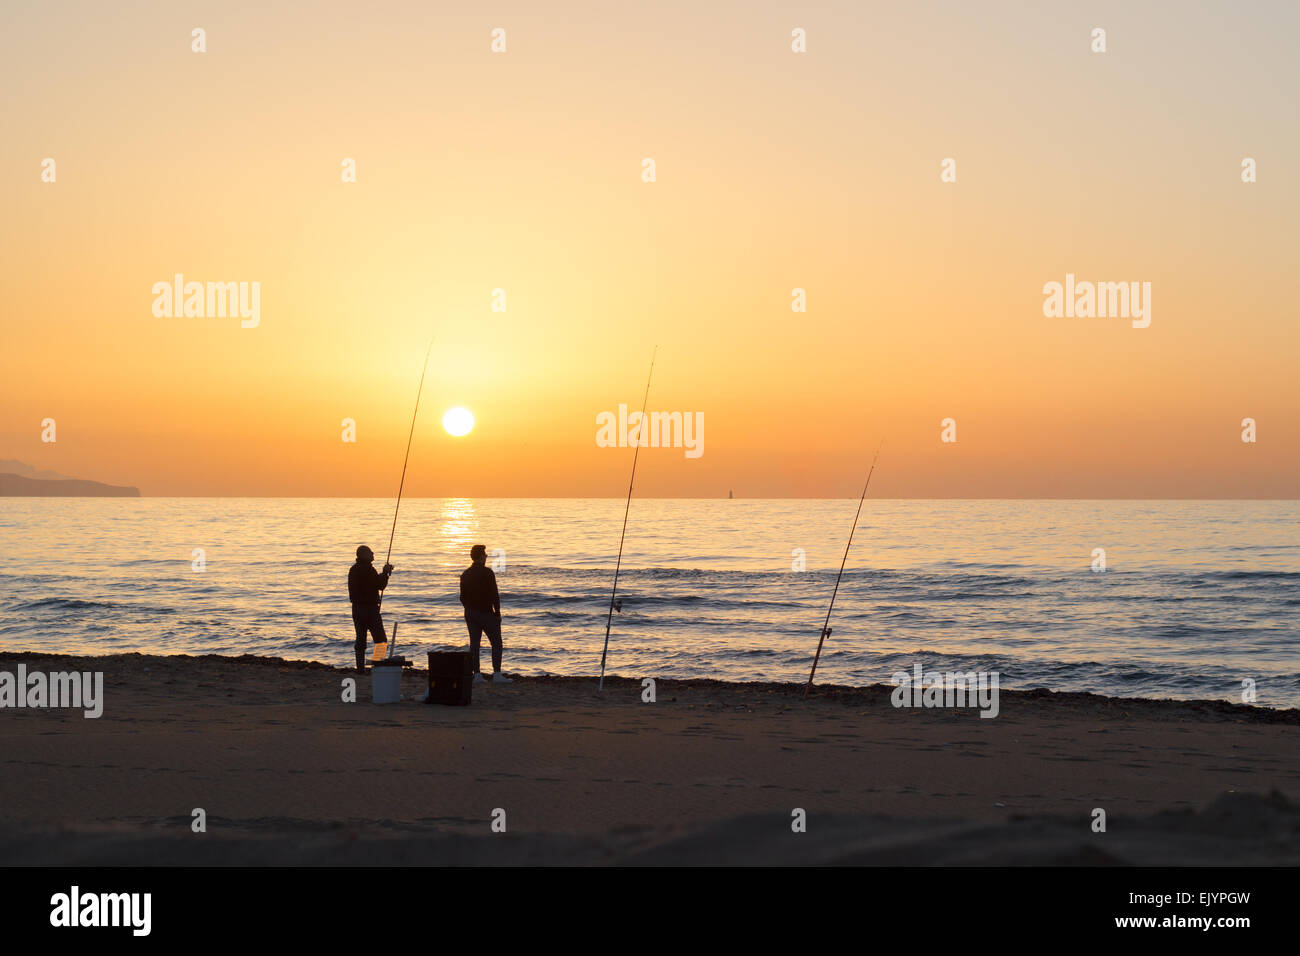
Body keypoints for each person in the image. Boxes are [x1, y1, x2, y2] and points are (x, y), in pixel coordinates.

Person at [460, 544, 509, 683]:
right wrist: (497, 613)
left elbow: (462, 597)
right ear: (481, 557)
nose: (487, 557)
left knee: (474, 644)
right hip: (486, 613)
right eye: (485, 555)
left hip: (470, 613)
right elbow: (494, 594)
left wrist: (469, 608)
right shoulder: (487, 573)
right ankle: (497, 674)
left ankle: (477, 674)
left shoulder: (465, 574)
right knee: (496, 642)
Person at [348, 545, 393, 673]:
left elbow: (373, 583)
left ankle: (360, 669)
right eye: (370, 552)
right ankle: (378, 667)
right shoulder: (368, 569)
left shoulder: (353, 569)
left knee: (361, 639)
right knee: (380, 640)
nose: (373, 553)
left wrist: (384, 574)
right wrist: (385, 573)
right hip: (370, 610)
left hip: (357, 609)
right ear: (363, 555)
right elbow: (380, 585)